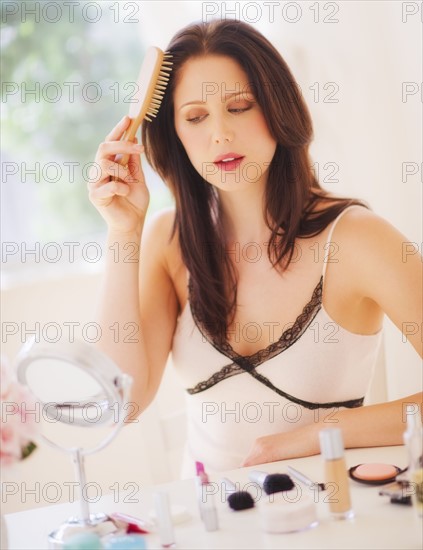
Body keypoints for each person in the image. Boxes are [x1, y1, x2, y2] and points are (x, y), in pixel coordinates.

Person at [88, 19, 422, 476]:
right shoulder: (168, 243)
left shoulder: (357, 240)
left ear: (277, 108)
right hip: (207, 529)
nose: (220, 133)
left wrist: (324, 432)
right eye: (196, 116)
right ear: (176, 135)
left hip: (327, 521)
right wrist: (122, 232)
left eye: (240, 106)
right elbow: (120, 404)